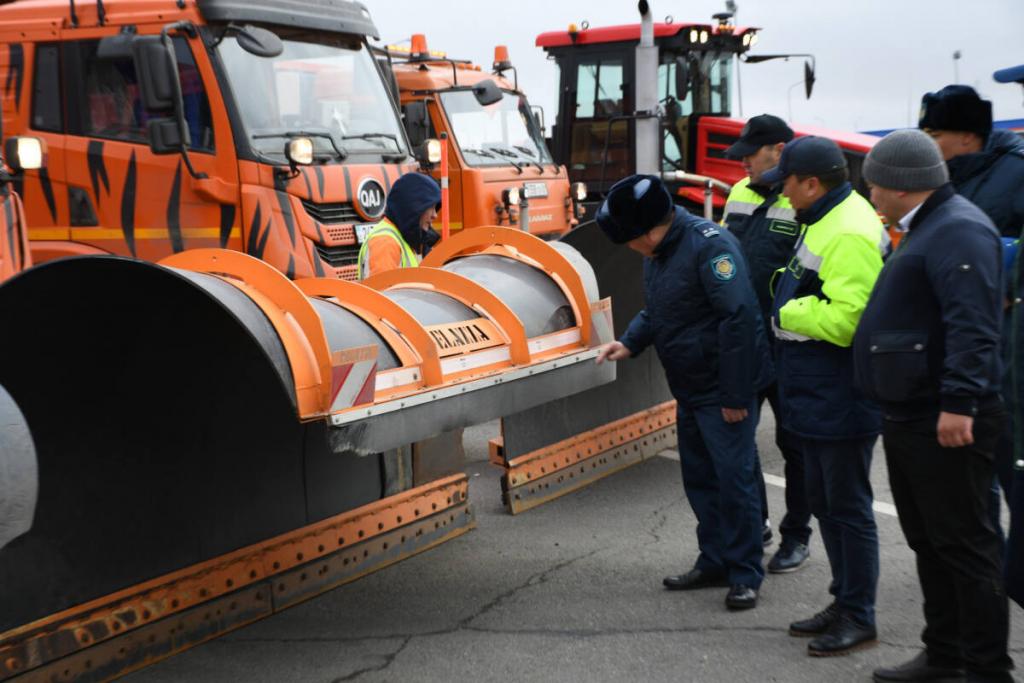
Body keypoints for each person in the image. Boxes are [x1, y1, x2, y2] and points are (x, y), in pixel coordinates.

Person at [854, 129, 1014, 683]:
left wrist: (960, 402)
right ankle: (945, 654)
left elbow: (974, 326)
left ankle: (988, 669)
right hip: (914, 412)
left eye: (875, 183)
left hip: (943, 416)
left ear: (902, 185)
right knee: (931, 541)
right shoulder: (930, 226)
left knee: (966, 547)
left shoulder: (958, 229)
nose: (870, 192)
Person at [595, 174, 772, 611]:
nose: (630, 248)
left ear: (648, 232)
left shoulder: (710, 247)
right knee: (700, 479)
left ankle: (745, 572)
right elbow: (661, 308)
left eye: (630, 241)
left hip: (721, 389)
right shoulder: (660, 252)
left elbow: (739, 319)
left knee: (734, 482)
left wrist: (735, 396)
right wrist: (630, 342)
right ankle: (714, 560)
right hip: (691, 385)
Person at [762, 136, 887, 656]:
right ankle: (844, 601)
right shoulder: (824, 217)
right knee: (828, 504)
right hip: (816, 390)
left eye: (786, 184)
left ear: (811, 183)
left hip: (840, 393)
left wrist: (785, 312)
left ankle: (859, 615)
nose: (782, 194)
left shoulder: (849, 230)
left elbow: (848, 320)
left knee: (846, 508)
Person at [919, 85, 1024, 543]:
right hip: (957, 341)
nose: (929, 144)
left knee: (1009, 461)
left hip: (1005, 346)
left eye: (935, 134)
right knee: (971, 477)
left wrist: (1006, 285)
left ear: (967, 136)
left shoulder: (1016, 173)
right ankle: (986, 558)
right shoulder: (944, 179)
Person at [723, 114, 812, 573]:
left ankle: (797, 536)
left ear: (779, 151)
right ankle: (754, 523)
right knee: (738, 440)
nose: (743, 164)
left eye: (750, 155)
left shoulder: (805, 200)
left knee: (795, 444)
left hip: (791, 344)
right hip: (745, 341)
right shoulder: (739, 193)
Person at [357, 172, 441, 279]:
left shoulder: (410, 238)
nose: (435, 215)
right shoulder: (385, 242)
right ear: (414, 207)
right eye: (431, 207)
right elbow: (382, 288)